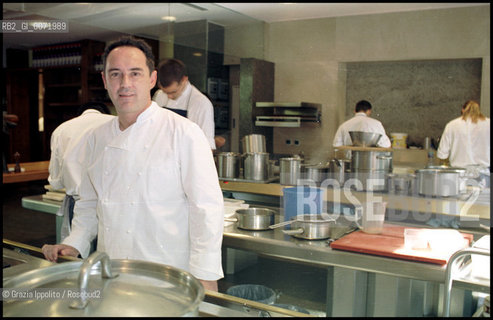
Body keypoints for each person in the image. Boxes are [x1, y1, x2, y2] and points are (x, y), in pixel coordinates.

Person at [42, 36, 224, 292]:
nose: (125, 84)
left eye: (135, 73)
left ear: (152, 80)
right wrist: (75, 242)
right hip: (113, 272)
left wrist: (206, 275)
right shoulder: (96, 138)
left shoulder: (184, 133)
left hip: (169, 275)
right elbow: (90, 202)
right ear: (105, 81)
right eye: (115, 74)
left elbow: (206, 208)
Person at [48, 102, 114, 242]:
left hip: (77, 202)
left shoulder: (62, 129)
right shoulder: (115, 124)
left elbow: (55, 181)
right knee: (110, 255)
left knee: (78, 253)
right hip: (112, 202)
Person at [152, 58, 216, 149]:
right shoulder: (159, 95)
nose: (169, 96)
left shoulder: (201, 103)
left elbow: (207, 146)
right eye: (165, 92)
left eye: (173, 92)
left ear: (184, 80)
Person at [437, 100, 490, 186]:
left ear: (462, 110)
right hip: (483, 176)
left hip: (458, 176)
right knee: (483, 198)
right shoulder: (488, 124)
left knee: (459, 198)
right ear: (479, 110)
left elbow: (441, 155)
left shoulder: (452, 125)